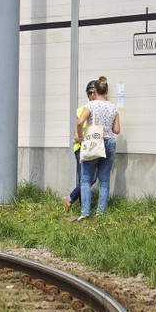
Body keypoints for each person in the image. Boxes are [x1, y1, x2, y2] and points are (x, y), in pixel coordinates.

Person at [74, 76, 120, 220]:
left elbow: (80, 122)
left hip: (94, 141)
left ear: (95, 91)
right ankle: (100, 213)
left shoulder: (91, 105)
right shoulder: (113, 107)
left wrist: (79, 137)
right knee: (104, 180)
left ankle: (85, 213)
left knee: (86, 179)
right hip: (109, 142)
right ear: (106, 90)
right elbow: (117, 130)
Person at [62, 80, 98, 213]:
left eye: (94, 93)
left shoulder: (100, 108)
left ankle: (71, 200)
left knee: (90, 178)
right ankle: (78, 204)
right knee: (86, 178)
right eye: (90, 93)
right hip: (81, 148)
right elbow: (76, 129)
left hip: (93, 148)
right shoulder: (82, 110)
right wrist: (79, 139)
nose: (92, 96)